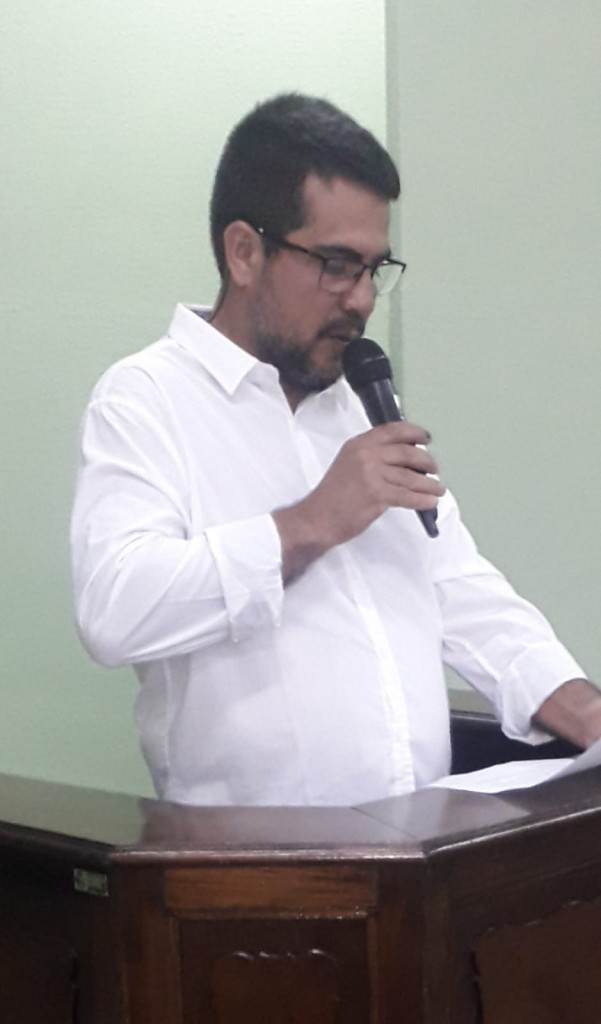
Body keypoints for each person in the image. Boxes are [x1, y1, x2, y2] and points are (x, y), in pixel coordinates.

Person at [70, 93, 601, 806]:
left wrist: (584, 710)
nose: (361, 299)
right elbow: (114, 610)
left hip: (417, 844)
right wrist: (313, 521)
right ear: (244, 252)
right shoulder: (146, 398)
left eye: (374, 269)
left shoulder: (358, 407)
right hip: (242, 858)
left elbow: (457, 587)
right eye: (336, 265)